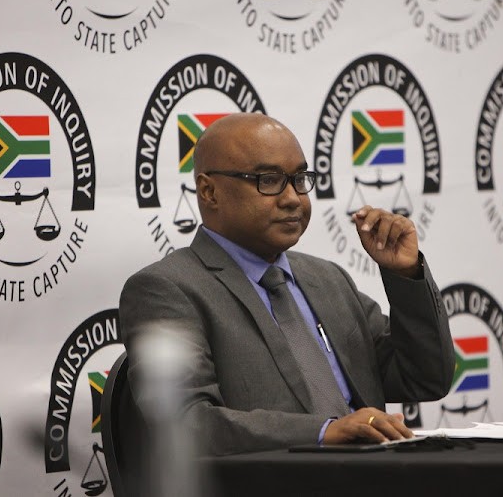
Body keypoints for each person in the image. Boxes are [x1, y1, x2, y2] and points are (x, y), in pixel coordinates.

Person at [120, 113, 454, 456]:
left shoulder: (329, 280)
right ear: (209, 191)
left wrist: (406, 275)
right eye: (268, 180)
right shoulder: (166, 289)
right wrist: (324, 431)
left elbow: (427, 379)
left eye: (299, 179)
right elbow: (185, 422)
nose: (293, 198)